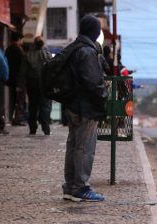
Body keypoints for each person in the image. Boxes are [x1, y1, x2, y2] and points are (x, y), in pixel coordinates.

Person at [62, 15, 107, 202]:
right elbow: (93, 83)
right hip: (85, 107)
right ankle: (80, 187)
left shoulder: (73, 48)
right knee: (84, 147)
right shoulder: (87, 52)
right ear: (95, 32)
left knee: (73, 146)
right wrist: (103, 98)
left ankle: (70, 186)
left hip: (72, 105)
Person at [17, 36, 52, 135]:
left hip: (31, 83)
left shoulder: (27, 55)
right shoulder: (47, 55)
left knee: (32, 106)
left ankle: (32, 128)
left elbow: (23, 72)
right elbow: (52, 71)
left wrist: (20, 85)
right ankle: (46, 128)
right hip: (44, 84)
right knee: (45, 106)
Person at [5, 32, 27, 126]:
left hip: (10, 78)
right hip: (19, 80)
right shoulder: (19, 50)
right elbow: (22, 67)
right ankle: (17, 119)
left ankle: (11, 118)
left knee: (13, 99)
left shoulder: (8, 49)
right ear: (18, 39)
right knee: (19, 100)